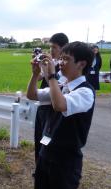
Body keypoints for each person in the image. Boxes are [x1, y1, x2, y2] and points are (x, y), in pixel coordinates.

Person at [26, 41, 95, 189]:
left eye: (66, 59)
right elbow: (32, 95)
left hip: (66, 160)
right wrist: (35, 74)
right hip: (46, 155)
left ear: (81, 64)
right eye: (61, 58)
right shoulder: (62, 85)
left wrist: (51, 75)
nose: (61, 63)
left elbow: (59, 105)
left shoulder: (85, 91)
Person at [32, 33, 69, 166]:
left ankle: (45, 167)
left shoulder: (65, 68)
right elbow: (40, 78)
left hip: (53, 107)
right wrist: (39, 66)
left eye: (54, 47)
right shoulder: (52, 62)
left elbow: (56, 85)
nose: (51, 51)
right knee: (38, 137)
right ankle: (38, 168)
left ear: (64, 48)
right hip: (43, 103)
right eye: (50, 47)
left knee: (48, 140)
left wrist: (49, 71)